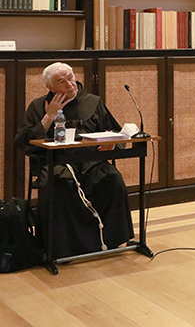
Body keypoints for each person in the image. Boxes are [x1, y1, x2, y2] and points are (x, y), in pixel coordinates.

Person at [15, 63, 134, 260]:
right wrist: (49, 116)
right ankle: (64, 249)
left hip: (91, 163)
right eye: (61, 81)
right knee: (59, 184)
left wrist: (112, 144)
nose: (69, 84)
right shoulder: (38, 106)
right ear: (50, 87)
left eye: (70, 77)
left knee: (113, 179)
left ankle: (111, 241)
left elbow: (115, 131)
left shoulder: (93, 102)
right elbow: (23, 141)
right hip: (56, 164)